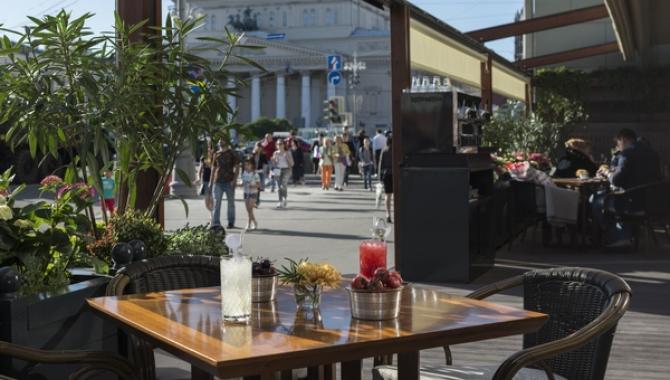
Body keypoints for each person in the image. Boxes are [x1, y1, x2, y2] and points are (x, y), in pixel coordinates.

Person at [592, 128, 661, 245]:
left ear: (623, 139)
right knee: (607, 198)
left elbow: (616, 180)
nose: (617, 146)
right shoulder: (653, 153)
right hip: (653, 202)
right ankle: (626, 235)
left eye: (617, 142)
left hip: (631, 202)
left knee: (596, 200)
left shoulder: (627, 154)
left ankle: (619, 237)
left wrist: (607, 173)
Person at [209, 137, 240, 229]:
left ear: (226, 141)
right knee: (216, 203)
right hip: (217, 181)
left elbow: (237, 167)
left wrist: (234, 180)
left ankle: (231, 222)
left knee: (230, 203)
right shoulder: (216, 154)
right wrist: (211, 182)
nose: (220, 141)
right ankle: (216, 223)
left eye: (222, 139)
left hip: (229, 181)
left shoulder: (232, 153)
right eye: (219, 140)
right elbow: (213, 168)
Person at [272, 139, 294, 208]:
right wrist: (274, 160)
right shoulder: (275, 153)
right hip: (277, 169)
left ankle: (284, 199)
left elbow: (292, 163)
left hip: (286, 169)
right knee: (278, 187)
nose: (279, 145)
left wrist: (287, 157)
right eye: (278, 144)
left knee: (283, 184)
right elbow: (274, 164)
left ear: (284, 145)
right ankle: (280, 201)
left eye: (281, 144)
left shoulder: (288, 152)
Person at [241, 160, 260, 230]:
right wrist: (240, 184)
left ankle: (249, 223)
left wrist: (252, 186)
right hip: (246, 192)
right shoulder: (244, 173)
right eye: (245, 165)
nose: (246, 166)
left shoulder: (255, 174)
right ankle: (254, 222)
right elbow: (243, 182)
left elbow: (258, 185)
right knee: (248, 210)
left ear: (252, 165)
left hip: (253, 193)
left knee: (250, 209)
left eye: (248, 165)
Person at [378, 136, 393, 223]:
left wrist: (379, 177)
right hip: (396, 173)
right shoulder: (397, 149)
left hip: (387, 174)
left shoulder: (384, 150)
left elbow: (381, 163)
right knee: (396, 195)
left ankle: (388, 214)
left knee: (388, 195)